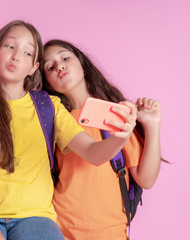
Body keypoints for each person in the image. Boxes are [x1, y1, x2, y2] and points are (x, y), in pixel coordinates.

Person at [0, 20, 137, 240]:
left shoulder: (49, 106)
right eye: (10, 46)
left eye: (28, 53)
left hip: (36, 219)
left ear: (33, 68)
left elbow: (92, 153)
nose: (16, 56)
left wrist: (120, 138)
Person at [42, 39, 162, 240]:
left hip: (111, 232)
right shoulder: (54, 120)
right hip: (60, 231)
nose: (59, 66)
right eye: (50, 67)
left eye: (65, 58)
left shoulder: (117, 113)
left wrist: (153, 126)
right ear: (48, 84)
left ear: (83, 66)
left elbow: (146, 179)